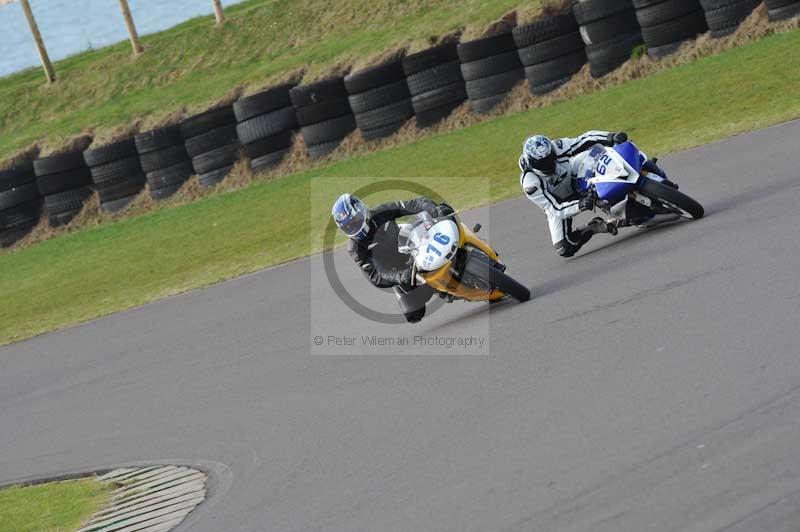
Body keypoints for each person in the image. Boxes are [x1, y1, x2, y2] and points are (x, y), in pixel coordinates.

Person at [519, 131, 674, 258]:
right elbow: (555, 208)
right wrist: (580, 204)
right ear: (533, 163)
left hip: (573, 174)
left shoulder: (557, 146)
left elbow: (585, 139)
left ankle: (649, 173)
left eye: (550, 158)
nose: (548, 164)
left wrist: (610, 137)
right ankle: (595, 227)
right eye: (542, 163)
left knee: (604, 153)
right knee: (564, 248)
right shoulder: (530, 183)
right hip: (560, 202)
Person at [332, 193, 452, 323]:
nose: (354, 226)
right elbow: (375, 275)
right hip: (397, 270)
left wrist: (435, 211)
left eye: (355, 220)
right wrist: (398, 276)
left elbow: (412, 204)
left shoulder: (380, 212)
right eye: (349, 226)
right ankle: (437, 287)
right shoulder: (355, 249)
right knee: (412, 313)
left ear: (361, 210)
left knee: (443, 214)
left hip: (412, 245)